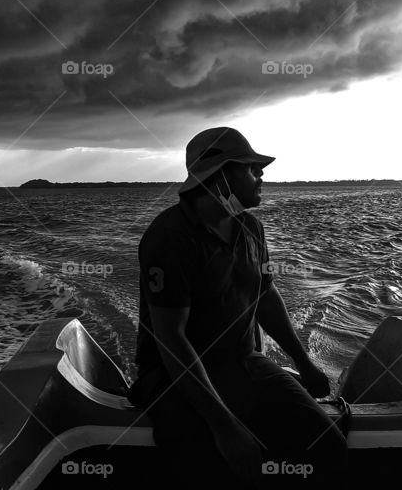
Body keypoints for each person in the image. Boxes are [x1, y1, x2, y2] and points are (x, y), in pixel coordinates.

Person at [127, 127, 347, 488]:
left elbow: (265, 297)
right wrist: (225, 427)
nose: (261, 174)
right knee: (210, 463)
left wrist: (303, 363)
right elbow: (171, 340)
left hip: (245, 363)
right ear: (221, 175)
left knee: (327, 446)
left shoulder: (250, 228)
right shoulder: (170, 238)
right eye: (250, 167)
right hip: (172, 377)